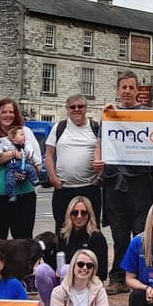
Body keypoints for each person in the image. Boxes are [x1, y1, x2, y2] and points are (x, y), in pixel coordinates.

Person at [100, 72, 153, 294]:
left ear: (137, 90)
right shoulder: (109, 114)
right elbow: (101, 142)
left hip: (140, 180)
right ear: (118, 89)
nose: (128, 91)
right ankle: (117, 277)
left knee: (141, 232)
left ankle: (139, 276)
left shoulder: (148, 116)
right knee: (119, 233)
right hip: (115, 180)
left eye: (132, 88)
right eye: (124, 87)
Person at [33, 195, 109, 306]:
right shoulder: (63, 235)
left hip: (85, 283)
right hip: (62, 283)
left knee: (67, 269)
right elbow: (55, 263)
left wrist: (83, 270)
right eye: (75, 212)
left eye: (83, 213)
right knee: (42, 270)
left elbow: (102, 273)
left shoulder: (97, 237)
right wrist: (45, 252)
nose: (79, 216)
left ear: (90, 214)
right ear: (69, 214)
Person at [0, 98, 40, 240]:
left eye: (11, 112)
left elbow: (34, 156)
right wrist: (13, 154)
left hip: (25, 195)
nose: (8, 115)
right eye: (4, 111)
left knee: (23, 239)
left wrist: (25, 171)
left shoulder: (26, 132)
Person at [44, 93, 103, 231]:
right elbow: (48, 156)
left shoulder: (96, 128)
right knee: (62, 228)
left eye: (80, 106)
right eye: (72, 107)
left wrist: (100, 177)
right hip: (64, 189)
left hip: (90, 188)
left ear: (86, 108)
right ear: (67, 109)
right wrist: (53, 178)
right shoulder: (59, 128)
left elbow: (107, 155)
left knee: (92, 229)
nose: (77, 109)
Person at [0, 125, 43, 192]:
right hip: (11, 167)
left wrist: (37, 163)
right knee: (10, 180)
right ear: (13, 137)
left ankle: (34, 180)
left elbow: (32, 155)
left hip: (23, 165)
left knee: (31, 168)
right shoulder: (6, 145)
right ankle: (11, 194)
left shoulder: (25, 147)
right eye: (21, 135)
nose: (24, 136)